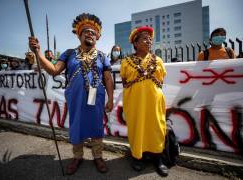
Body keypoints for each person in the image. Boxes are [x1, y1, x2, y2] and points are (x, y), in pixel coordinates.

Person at [29, 13, 113, 175]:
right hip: (75, 98)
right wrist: (38, 53)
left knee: (97, 125)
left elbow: (108, 79)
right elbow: (54, 70)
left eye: (93, 32)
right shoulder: (68, 53)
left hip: (97, 97)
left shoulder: (102, 56)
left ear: (98, 37)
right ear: (79, 35)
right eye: (86, 31)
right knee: (77, 125)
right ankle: (77, 156)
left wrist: (110, 99)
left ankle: (98, 156)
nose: (90, 34)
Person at [120, 26, 168, 177]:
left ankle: (158, 158)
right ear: (135, 43)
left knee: (157, 127)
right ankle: (137, 157)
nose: (149, 41)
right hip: (135, 102)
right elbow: (124, 81)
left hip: (154, 102)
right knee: (137, 127)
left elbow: (161, 80)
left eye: (150, 39)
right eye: (145, 38)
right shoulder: (126, 61)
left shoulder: (158, 60)